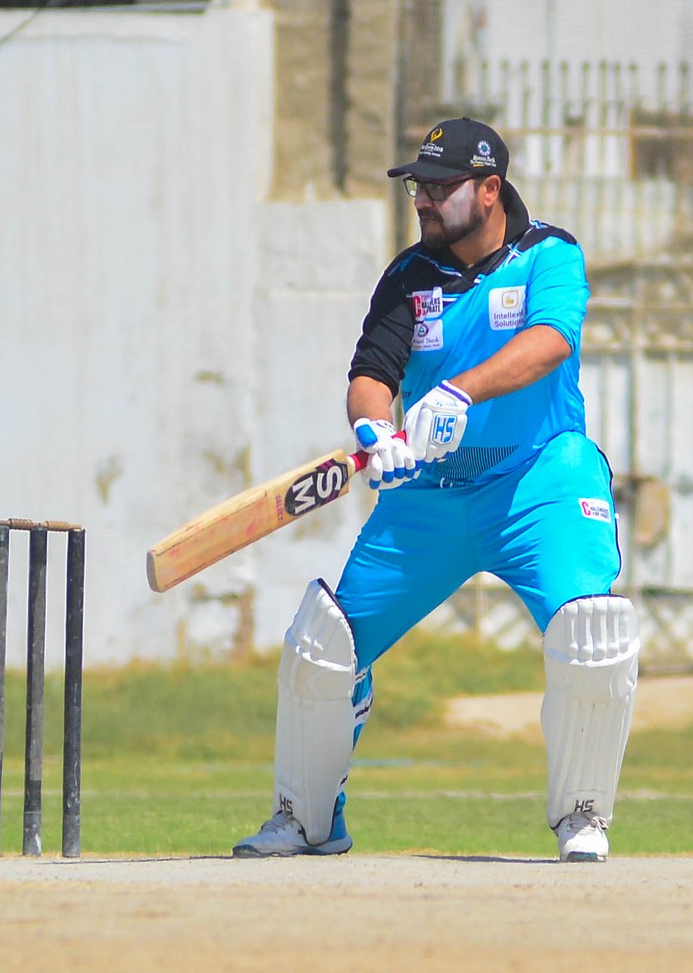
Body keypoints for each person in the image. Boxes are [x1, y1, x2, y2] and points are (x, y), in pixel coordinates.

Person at [233, 117, 638, 863]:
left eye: (439, 186)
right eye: (418, 185)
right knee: (324, 646)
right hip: (430, 496)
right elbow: (371, 374)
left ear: (489, 189)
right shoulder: (409, 276)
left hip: (538, 480)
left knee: (591, 632)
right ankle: (307, 819)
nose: (422, 198)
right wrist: (374, 430)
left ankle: (582, 814)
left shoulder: (550, 254)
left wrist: (458, 392)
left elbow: (551, 341)